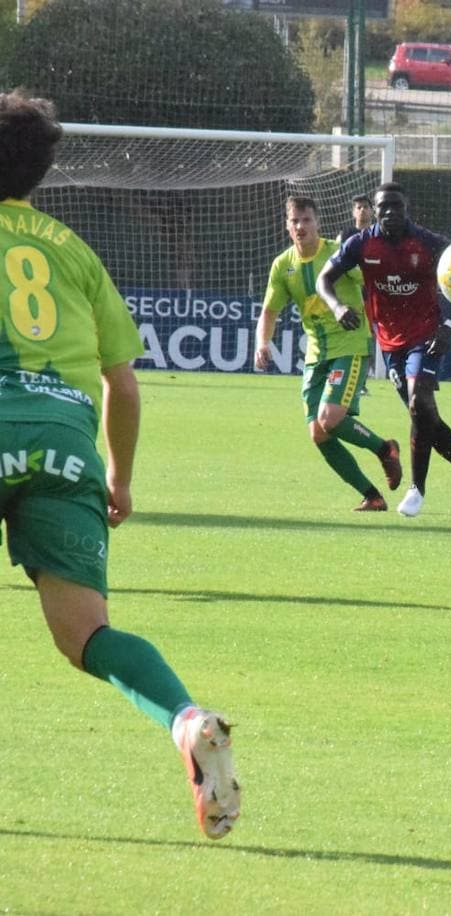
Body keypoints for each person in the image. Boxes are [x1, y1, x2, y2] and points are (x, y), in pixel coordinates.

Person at [0, 92, 240, 836]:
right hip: (68, 447)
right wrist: (119, 477)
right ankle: (184, 717)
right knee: (87, 636)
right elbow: (122, 380)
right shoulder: (72, 251)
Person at [318, 181, 451, 518]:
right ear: (374, 208)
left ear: (406, 208)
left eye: (396, 206)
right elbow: (324, 279)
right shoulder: (361, 243)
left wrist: (450, 326)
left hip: (426, 337)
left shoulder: (428, 243)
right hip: (389, 342)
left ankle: (417, 489)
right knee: (425, 417)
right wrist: (337, 307)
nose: (390, 212)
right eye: (383, 206)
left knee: (417, 403)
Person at [255, 195, 403, 512]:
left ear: (317, 223)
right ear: (287, 225)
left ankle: (384, 449)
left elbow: (373, 283)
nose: (300, 226)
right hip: (316, 354)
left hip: (349, 346)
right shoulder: (284, 266)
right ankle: (372, 495)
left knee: (330, 418)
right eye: (295, 221)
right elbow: (269, 311)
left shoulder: (338, 254)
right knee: (318, 434)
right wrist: (262, 343)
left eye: (306, 220)